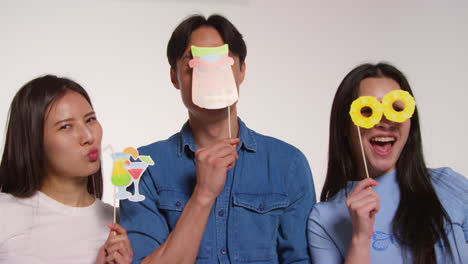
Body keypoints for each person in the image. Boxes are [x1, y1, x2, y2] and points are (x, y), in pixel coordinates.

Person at [120, 14, 316, 263]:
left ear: (242, 70)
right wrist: (202, 194)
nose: (208, 77)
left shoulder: (289, 163)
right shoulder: (142, 167)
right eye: (195, 65)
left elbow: (299, 258)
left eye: (221, 64)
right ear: (174, 77)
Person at [307, 63, 467, 264]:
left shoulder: (450, 185)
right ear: (345, 126)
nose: (385, 121)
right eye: (368, 111)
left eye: (396, 109)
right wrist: (360, 238)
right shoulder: (325, 219)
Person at [0, 75, 133, 264]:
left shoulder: (119, 225)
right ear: (33, 140)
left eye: (90, 120)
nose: (88, 136)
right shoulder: (4, 213)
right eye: (66, 126)